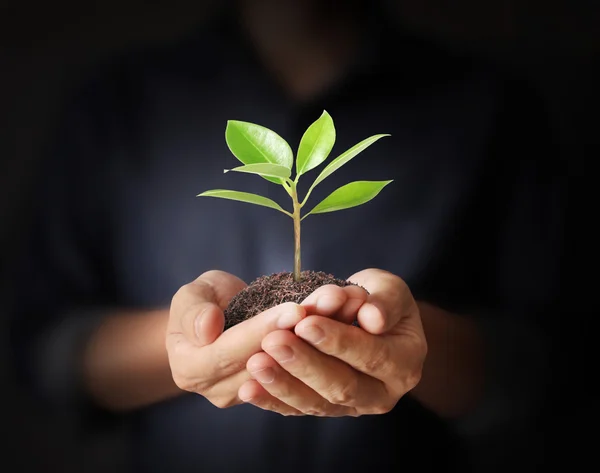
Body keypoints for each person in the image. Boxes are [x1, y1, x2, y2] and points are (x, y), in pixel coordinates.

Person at [9, 0, 564, 471]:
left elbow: (543, 366)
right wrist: (190, 341)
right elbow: (44, 349)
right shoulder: (117, 104)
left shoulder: (488, 105)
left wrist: (406, 347)